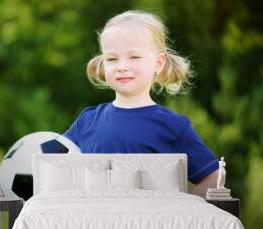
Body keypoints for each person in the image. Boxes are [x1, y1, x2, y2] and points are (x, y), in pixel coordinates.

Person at [63, 10, 219, 197]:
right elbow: (54, 166)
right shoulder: (86, 121)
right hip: (95, 224)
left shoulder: (173, 127)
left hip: (150, 225)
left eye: (134, 57)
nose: (122, 66)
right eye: (112, 59)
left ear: (158, 63)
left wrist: (184, 211)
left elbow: (213, 177)